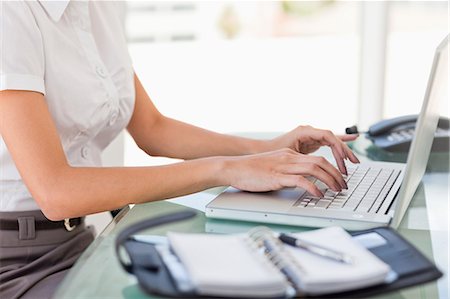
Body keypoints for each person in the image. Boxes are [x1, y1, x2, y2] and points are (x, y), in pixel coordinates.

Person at [0, 1, 359, 298]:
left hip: (76, 242)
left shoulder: (96, 8)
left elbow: (153, 129)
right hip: (15, 264)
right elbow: (56, 192)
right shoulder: (11, 15)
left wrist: (263, 151)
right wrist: (224, 169)